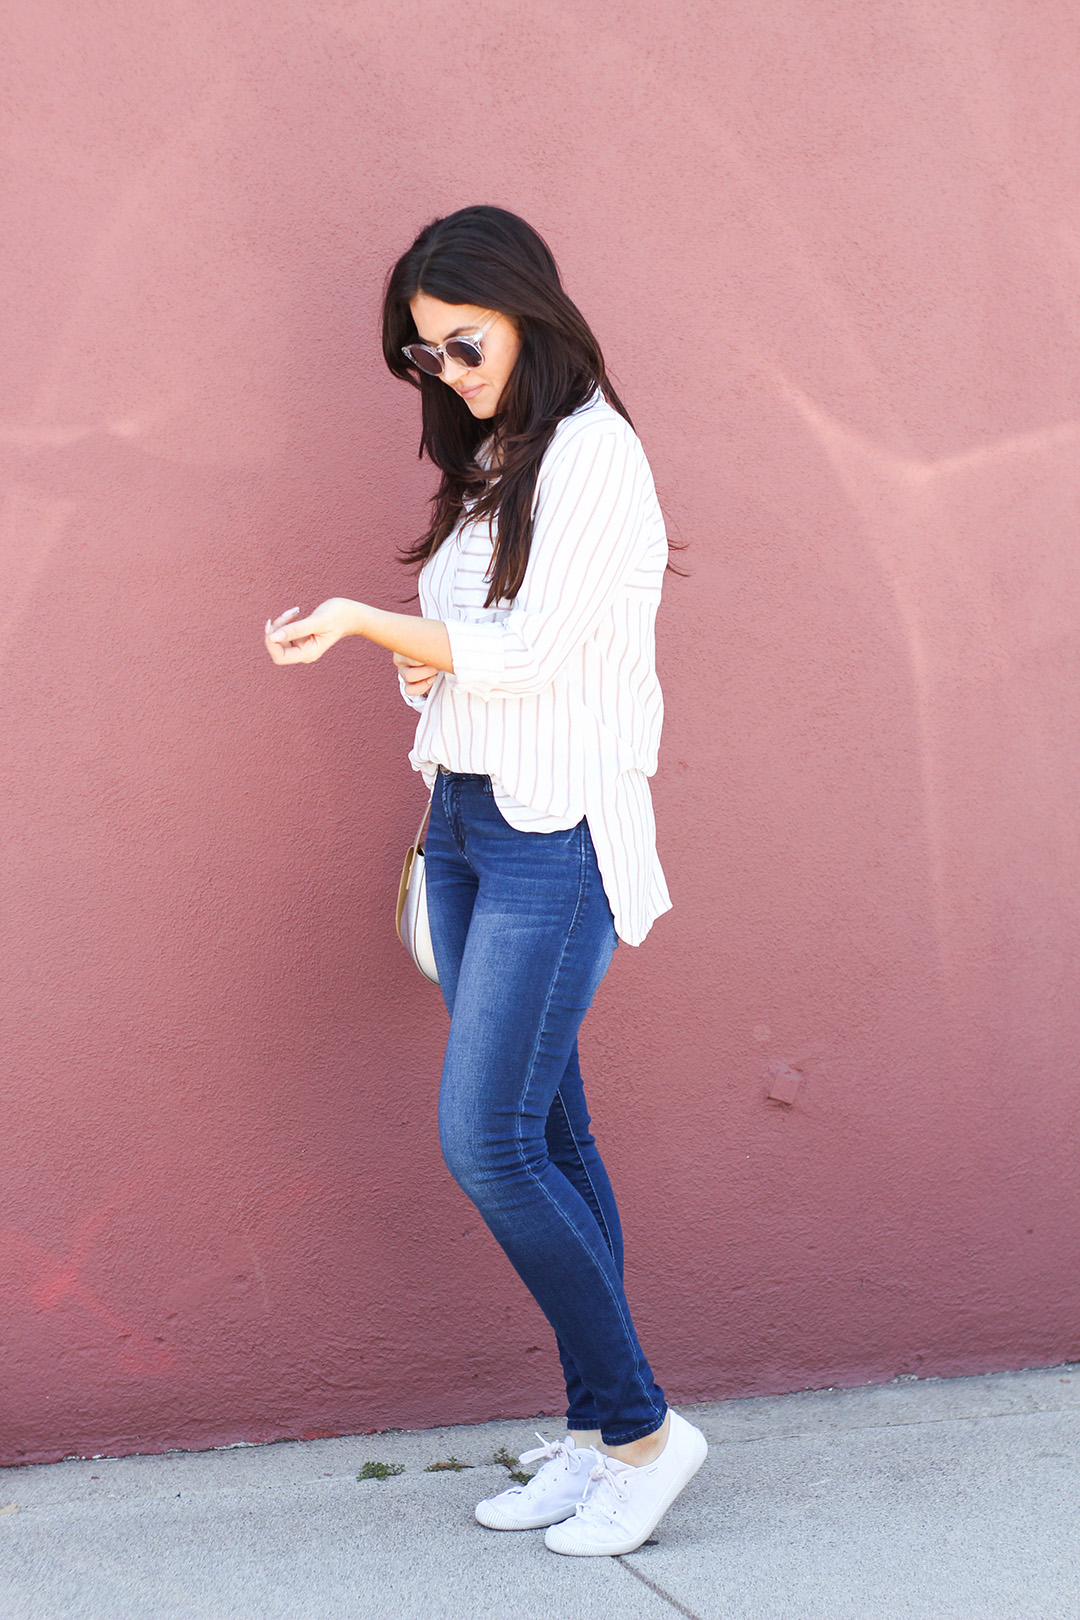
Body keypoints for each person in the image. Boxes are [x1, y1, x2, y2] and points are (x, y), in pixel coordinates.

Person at [264, 205, 706, 1557]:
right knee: (552, 1136)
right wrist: (421, 653)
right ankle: (594, 1433)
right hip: (461, 822)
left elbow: (518, 654)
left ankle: (640, 1432)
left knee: (489, 1142)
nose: (448, 373)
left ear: (528, 313)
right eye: (423, 359)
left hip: (552, 833)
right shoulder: (504, 460)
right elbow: (474, 649)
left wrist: (360, 623)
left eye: (463, 343)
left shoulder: (595, 457)